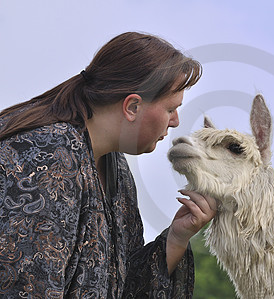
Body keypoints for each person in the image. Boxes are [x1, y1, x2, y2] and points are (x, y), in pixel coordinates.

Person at [0, 32, 216, 298]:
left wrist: (177, 238)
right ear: (133, 106)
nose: (175, 122)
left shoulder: (116, 168)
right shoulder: (44, 158)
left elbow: (123, 288)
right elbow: (23, 288)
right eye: (171, 109)